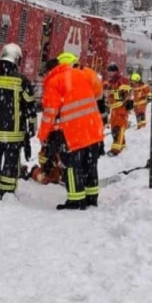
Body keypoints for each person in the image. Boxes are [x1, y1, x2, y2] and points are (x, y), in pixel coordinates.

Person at [38, 54, 104, 210]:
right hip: (93, 128)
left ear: (50, 71)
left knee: (71, 166)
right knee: (90, 165)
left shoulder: (54, 82)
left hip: (73, 132)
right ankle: (91, 197)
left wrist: (42, 135)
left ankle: (76, 200)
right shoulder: (82, 74)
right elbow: (98, 94)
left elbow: (49, 113)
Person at [0, 43, 37, 199]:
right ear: (17, 60)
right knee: (10, 164)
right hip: (14, 134)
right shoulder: (22, 82)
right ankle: (7, 192)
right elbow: (30, 106)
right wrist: (32, 127)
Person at [106, 63, 133, 156]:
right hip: (114, 109)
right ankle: (122, 144)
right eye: (108, 71)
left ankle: (116, 149)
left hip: (121, 108)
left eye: (111, 71)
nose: (109, 73)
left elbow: (126, 93)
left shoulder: (121, 80)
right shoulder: (112, 82)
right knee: (114, 129)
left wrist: (125, 101)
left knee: (118, 129)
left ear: (116, 71)